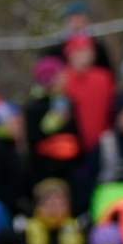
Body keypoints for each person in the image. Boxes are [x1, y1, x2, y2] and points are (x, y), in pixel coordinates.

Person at [23, 58, 86, 203]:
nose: (65, 78)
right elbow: (33, 141)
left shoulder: (67, 101)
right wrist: (52, 123)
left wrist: (80, 161)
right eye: (60, 75)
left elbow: (76, 134)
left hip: (70, 169)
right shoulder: (34, 107)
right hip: (46, 170)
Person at [59, 31, 119, 158]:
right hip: (72, 143)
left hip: (102, 141)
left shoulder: (104, 77)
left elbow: (112, 104)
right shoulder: (62, 79)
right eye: (79, 51)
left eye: (87, 50)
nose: (84, 55)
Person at [41, 0, 117, 72]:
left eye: (79, 19)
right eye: (71, 20)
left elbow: (108, 72)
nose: (76, 24)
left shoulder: (98, 48)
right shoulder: (56, 50)